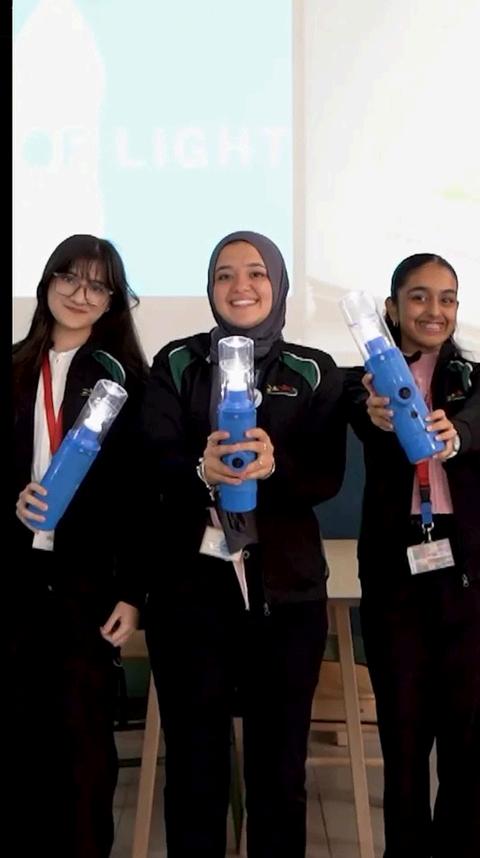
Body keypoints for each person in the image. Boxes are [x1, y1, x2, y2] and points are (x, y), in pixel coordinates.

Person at [141, 230, 346, 857]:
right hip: (190, 596)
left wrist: (273, 467)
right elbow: (154, 459)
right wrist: (199, 470)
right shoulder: (176, 362)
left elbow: (325, 476)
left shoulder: (314, 369)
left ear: (278, 285)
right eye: (225, 274)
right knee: (195, 772)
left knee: (279, 775)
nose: (241, 286)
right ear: (210, 288)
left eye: (256, 272)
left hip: (287, 597)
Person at [10, 234, 148, 858]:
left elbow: (145, 498)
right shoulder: (15, 367)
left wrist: (132, 593)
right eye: (69, 278)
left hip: (86, 586)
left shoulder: (127, 380)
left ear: (112, 301)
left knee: (83, 750)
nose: (80, 294)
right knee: (23, 743)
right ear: (47, 283)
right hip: (17, 579)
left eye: (97, 285)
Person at [345, 253, 480, 858]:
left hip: (465, 572)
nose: (434, 310)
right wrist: (371, 413)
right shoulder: (364, 382)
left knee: (466, 741)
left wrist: (461, 434)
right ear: (392, 308)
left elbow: (478, 419)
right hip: (396, 573)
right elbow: (355, 409)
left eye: (447, 298)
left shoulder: (473, 380)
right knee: (402, 739)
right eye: (419, 297)